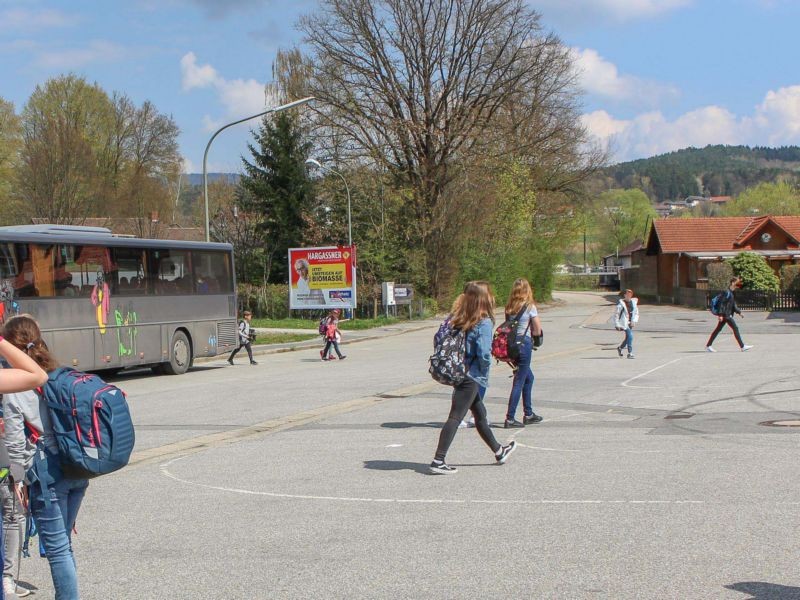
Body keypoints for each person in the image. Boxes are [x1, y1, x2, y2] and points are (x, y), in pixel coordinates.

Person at [2, 315, 83, 600]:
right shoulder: (59, 373)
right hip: (77, 467)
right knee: (65, 545)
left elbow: (14, 442)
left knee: (58, 550)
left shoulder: (16, 385)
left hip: (48, 473)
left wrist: (19, 480)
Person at [429, 282, 516, 474]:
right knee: (455, 417)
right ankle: (438, 459)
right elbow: (484, 353)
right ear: (485, 299)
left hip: (459, 371)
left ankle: (499, 450)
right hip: (471, 376)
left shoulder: (459, 318)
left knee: (480, 416)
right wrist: (484, 373)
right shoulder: (483, 322)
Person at [503, 278, 543, 428]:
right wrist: (536, 338)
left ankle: (529, 413)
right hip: (524, 344)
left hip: (511, 345)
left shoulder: (509, 307)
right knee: (519, 380)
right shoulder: (529, 307)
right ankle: (510, 418)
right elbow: (537, 329)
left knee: (528, 378)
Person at [706, 277, 753, 352]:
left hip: (726, 315)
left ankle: (708, 345)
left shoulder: (732, 292)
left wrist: (739, 312)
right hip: (726, 315)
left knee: (718, 329)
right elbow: (722, 304)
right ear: (733, 283)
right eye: (737, 282)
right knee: (735, 328)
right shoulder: (726, 292)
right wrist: (720, 315)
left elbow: (733, 305)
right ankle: (742, 346)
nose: (739, 284)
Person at [614, 289, 639, 359]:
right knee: (630, 336)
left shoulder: (634, 303)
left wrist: (634, 321)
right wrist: (617, 324)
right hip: (623, 323)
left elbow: (636, 313)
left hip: (630, 323)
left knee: (627, 338)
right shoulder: (621, 305)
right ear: (624, 295)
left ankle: (620, 348)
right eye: (627, 294)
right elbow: (616, 315)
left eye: (630, 294)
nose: (629, 296)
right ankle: (630, 353)